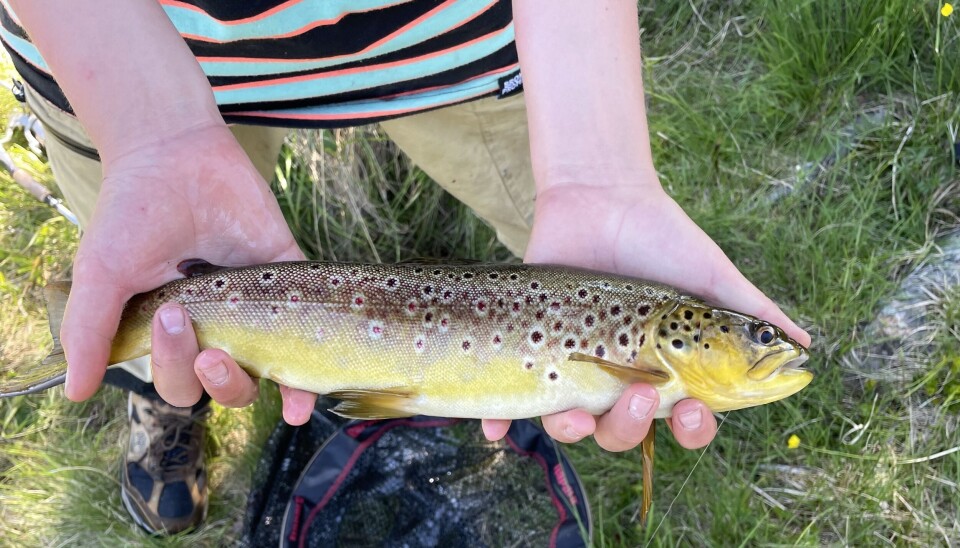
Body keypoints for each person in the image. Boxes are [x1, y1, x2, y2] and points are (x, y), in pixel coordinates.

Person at [3, 0, 810, 535]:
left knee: (186, 311)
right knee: (155, 304)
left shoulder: (644, 335)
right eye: (743, 333)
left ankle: (159, 357)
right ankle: (156, 387)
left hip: (485, 50)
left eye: (748, 335)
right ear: (683, 331)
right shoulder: (645, 344)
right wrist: (150, 132)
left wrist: (599, 163)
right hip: (104, 58)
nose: (763, 342)